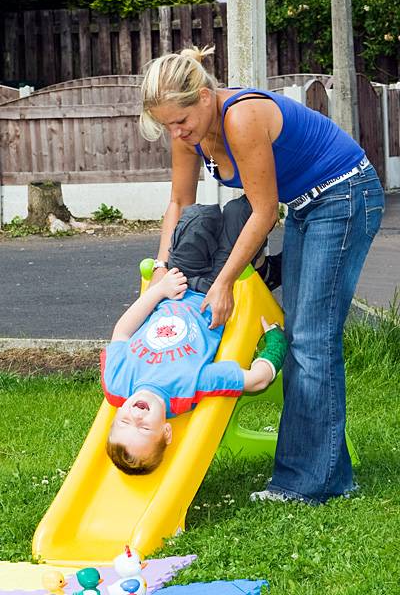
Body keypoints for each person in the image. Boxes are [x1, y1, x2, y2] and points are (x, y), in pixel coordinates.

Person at [139, 46, 385, 503]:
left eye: (181, 121)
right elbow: (180, 203)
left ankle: (306, 485)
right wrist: (163, 271)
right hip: (306, 205)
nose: (177, 132)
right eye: (167, 124)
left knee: (312, 338)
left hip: (345, 195)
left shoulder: (241, 116)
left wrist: (223, 282)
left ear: (206, 96)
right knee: (301, 336)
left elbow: (265, 210)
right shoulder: (186, 131)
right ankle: (329, 474)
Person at [101, 197, 287, 475]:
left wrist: (159, 290)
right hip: (216, 289)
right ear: (166, 432)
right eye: (144, 427)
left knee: (199, 217)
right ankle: (261, 261)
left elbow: (122, 331)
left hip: (178, 281)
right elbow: (257, 380)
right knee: (242, 213)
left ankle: (262, 266)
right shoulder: (187, 390)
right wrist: (275, 343)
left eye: (125, 422)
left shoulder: (117, 382)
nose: (136, 415)